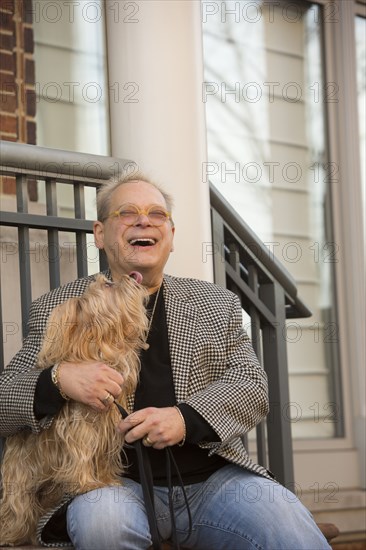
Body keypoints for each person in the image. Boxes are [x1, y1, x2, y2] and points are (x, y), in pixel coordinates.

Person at [0, 172, 331, 550]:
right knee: (103, 525)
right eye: (128, 212)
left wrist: (185, 418)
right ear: (100, 233)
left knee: (284, 519)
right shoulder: (61, 307)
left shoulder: (214, 303)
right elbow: (4, 400)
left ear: (170, 236)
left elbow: (252, 386)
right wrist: (59, 378)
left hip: (213, 481)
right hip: (109, 483)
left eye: (157, 215)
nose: (144, 221)